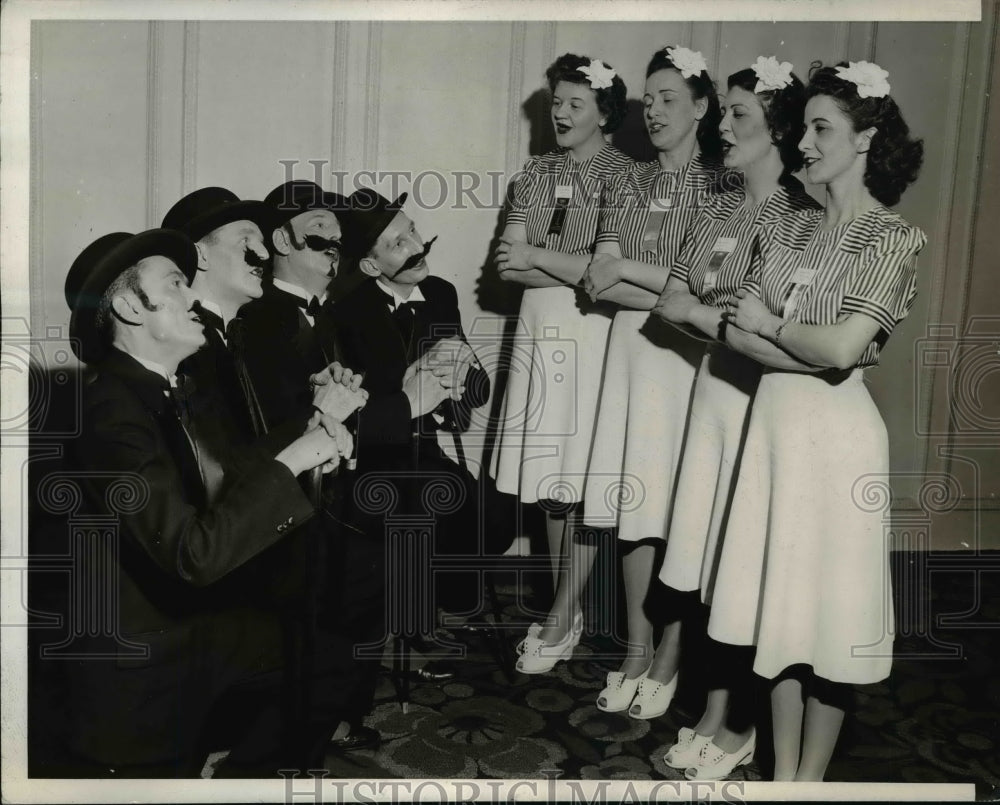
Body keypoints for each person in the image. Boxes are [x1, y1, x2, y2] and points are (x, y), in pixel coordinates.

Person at [63, 228, 351, 776]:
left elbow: (235, 471)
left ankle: (241, 778)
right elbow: (192, 554)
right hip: (139, 660)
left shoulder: (168, 387)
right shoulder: (109, 416)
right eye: (175, 284)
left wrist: (308, 436)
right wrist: (294, 462)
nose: (194, 297)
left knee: (326, 660)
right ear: (129, 306)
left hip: (190, 624)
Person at [707, 60, 925, 781]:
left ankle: (808, 784)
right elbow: (736, 332)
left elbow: (837, 346)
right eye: (802, 127)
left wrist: (780, 329)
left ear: (866, 137)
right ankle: (780, 779)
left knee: (826, 627)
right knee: (781, 615)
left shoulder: (893, 239)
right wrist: (815, 351)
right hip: (776, 435)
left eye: (821, 128)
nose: (803, 142)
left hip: (837, 447)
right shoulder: (788, 221)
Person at [647, 58, 821, 778]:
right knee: (708, 570)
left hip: (763, 411)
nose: (723, 125)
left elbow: (776, 330)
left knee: (747, 571)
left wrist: (716, 317)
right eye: (724, 112)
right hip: (714, 400)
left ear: (777, 128)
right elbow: (671, 302)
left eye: (739, 114)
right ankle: (716, 713)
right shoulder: (719, 206)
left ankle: (737, 723)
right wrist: (720, 320)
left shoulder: (802, 218)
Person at [575, 45, 725, 713]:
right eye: (650, 99)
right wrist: (655, 281)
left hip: (686, 363)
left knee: (678, 509)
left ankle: (671, 650)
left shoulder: (723, 188)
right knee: (633, 506)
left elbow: (698, 292)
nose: (656, 111)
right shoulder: (626, 181)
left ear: (701, 107)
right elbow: (594, 277)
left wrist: (634, 273)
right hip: (630, 357)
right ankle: (638, 645)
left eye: (670, 98)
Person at [488, 52, 631, 674]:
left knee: (586, 480)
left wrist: (538, 255)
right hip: (541, 331)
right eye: (557, 103)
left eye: (576, 104)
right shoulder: (536, 174)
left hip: (595, 334)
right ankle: (566, 610)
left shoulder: (629, 177)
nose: (561, 114)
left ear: (605, 113)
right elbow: (504, 262)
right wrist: (561, 263)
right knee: (551, 483)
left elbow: (602, 274)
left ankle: (562, 611)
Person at [238, 179, 386, 751]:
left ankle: (329, 713)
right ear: (281, 238)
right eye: (320, 242)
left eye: (338, 246)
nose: (334, 255)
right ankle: (302, 725)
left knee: (368, 571)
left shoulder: (329, 314)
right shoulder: (258, 317)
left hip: (331, 487)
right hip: (284, 498)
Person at [333, 187, 492, 675]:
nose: (418, 245)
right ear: (370, 265)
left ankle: (445, 606)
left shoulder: (440, 293)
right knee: (424, 497)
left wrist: (467, 376)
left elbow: (476, 389)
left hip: (424, 445)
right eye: (399, 244)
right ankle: (415, 625)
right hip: (371, 452)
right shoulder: (348, 310)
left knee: (479, 495)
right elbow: (365, 404)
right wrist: (415, 378)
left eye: (414, 231)